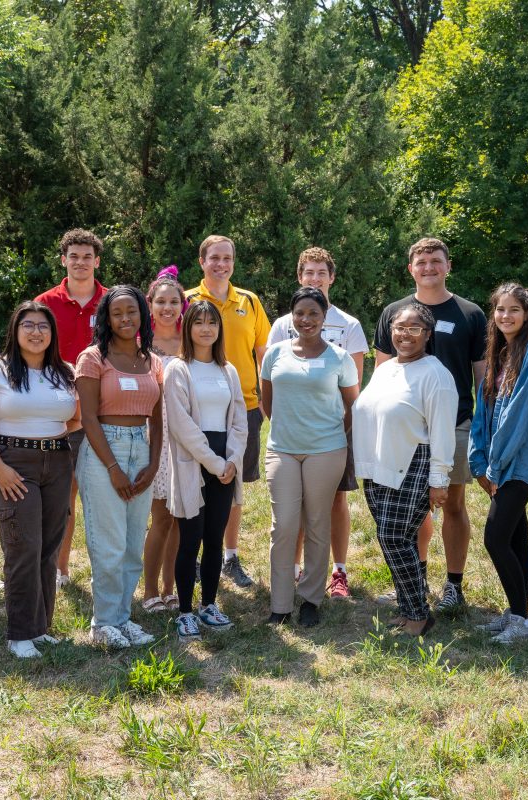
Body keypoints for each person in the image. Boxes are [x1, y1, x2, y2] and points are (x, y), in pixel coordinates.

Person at [373, 238, 486, 612]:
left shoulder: (469, 313)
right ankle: (414, 579)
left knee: (452, 503)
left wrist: (483, 425)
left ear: (448, 266)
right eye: (421, 262)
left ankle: (454, 584)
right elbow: (381, 374)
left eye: (436, 261)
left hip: (453, 424)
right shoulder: (393, 312)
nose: (429, 268)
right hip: (405, 429)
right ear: (411, 269)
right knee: (413, 509)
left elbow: (482, 378)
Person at [0, 302, 80, 658]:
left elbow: (75, 420)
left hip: (58, 461)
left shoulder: (64, 371)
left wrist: (56, 446)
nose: (36, 332)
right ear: (15, 331)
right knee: (23, 546)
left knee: (49, 545)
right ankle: (19, 634)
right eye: (28, 325)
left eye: (43, 326)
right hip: (13, 462)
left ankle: (41, 627)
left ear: (53, 334)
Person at [267, 246, 368, 598]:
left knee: (334, 502)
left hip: (336, 433)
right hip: (289, 436)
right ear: (300, 277)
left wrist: (335, 431)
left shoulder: (350, 325)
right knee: (291, 508)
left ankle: (338, 571)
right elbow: (272, 384)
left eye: (320, 272)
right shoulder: (282, 325)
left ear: (331, 277)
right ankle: (294, 570)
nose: (314, 278)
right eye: (308, 272)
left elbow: (353, 385)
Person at [353, 302, 457, 637]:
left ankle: (419, 615)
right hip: (377, 465)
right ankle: (407, 604)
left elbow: (442, 431)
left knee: (393, 537)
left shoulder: (436, 374)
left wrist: (439, 480)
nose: (405, 335)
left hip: (413, 463)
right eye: (399, 327)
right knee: (394, 540)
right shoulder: (385, 369)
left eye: (414, 329)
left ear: (427, 334)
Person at [75, 285, 164, 649]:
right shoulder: (93, 358)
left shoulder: (152, 361)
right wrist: (112, 466)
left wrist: (154, 463)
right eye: (117, 313)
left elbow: (158, 421)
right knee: (107, 543)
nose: (125, 319)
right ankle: (102, 623)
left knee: (131, 545)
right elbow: (88, 418)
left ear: (143, 314)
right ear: (106, 319)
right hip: (103, 449)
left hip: (140, 448)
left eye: (132, 311)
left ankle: (122, 618)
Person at [469, 284, 528, 644]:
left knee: (495, 537)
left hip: (520, 462)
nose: (506, 316)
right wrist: (481, 460)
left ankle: (521, 621)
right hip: (499, 461)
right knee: (515, 536)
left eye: (514, 310)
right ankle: (517, 613)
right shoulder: (500, 354)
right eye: (500, 310)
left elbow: (521, 415)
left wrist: (496, 464)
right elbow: (484, 413)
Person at [185, 236, 271, 588]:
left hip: (244, 407)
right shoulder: (187, 300)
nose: (221, 264)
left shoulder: (249, 301)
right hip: (196, 408)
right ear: (202, 261)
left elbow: (264, 354)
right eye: (214, 258)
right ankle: (191, 556)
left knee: (233, 482)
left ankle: (229, 557)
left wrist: (266, 402)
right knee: (194, 482)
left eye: (228, 258)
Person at [164, 301, 248, 640]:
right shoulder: (177, 370)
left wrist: (232, 460)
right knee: (190, 539)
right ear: (188, 328)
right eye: (198, 322)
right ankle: (185, 612)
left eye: (211, 322)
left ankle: (209, 604)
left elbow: (240, 419)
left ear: (219, 328)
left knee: (215, 538)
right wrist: (214, 463)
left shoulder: (228, 370)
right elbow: (182, 426)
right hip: (193, 464)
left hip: (226, 465)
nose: (205, 328)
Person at [36, 229, 109, 588]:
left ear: (97, 261)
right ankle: (60, 568)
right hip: (58, 415)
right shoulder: (45, 303)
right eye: (74, 256)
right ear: (64, 260)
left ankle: (105, 568)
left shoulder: (112, 302)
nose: (81, 262)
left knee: (104, 497)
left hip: (105, 413)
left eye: (87, 257)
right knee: (64, 497)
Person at [142, 267, 186, 613]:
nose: (168, 307)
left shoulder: (192, 339)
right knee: (160, 518)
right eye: (161, 301)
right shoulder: (140, 342)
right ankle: (149, 590)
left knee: (179, 518)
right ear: (150, 304)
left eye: (174, 301)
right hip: (152, 433)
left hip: (185, 434)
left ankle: (172, 587)